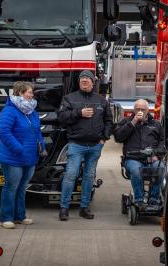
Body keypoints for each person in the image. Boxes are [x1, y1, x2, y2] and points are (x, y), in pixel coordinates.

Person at [57, 70, 113, 221]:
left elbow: (109, 121)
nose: (84, 81)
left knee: (89, 177)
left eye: (87, 79)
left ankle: (84, 207)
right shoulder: (69, 99)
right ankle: (64, 208)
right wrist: (79, 113)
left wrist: (104, 138)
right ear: (79, 82)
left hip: (95, 146)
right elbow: (61, 118)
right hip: (76, 144)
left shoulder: (101, 100)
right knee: (70, 175)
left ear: (93, 82)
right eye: (82, 79)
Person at [0, 81, 46, 229]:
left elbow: (37, 131)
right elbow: (4, 132)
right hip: (13, 158)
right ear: (20, 93)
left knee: (22, 187)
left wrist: (42, 146)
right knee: (11, 187)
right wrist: (18, 148)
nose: (32, 95)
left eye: (32, 92)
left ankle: (20, 216)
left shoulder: (31, 111)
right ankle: (5, 218)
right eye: (29, 92)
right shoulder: (10, 111)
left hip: (29, 157)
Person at [114, 99, 165, 210]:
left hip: (152, 158)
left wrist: (157, 154)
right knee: (136, 171)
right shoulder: (126, 122)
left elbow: (163, 142)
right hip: (133, 158)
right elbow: (118, 137)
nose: (140, 111)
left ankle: (154, 199)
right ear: (134, 109)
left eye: (143, 109)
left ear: (148, 110)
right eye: (138, 109)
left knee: (160, 168)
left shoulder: (156, 124)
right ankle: (139, 199)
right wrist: (133, 122)